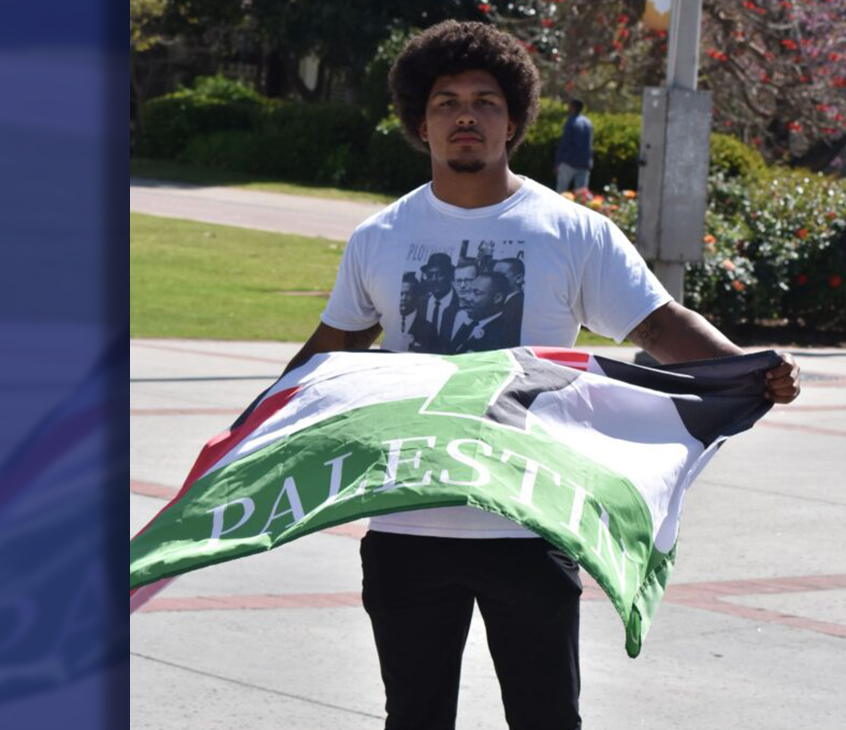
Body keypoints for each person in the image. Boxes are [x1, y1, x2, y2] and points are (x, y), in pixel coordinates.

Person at [278, 20, 800, 730]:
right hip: (408, 523)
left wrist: (745, 371)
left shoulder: (571, 231)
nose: (465, 114)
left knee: (547, 717)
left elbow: (659, 323)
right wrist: (253, 434)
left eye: (485, 100)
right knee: (414, 718)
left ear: (514, 119)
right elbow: (326, 354)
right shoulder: (381, 237)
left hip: (531, 520)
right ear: (419, 123)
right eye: (446, 101)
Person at [554, 98, 593, 193]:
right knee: (581, 196)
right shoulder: (588, 122)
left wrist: (557, 162)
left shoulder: (571, 122)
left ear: (573, 107)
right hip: (584, 162)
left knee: (561, 193)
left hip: (569, 162)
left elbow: (565, 143)